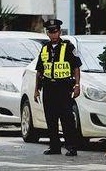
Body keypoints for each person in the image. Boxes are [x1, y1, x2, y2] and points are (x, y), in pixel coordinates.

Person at [34, 18, 82, 156]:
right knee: (51, 118)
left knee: (67, 118)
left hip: (64, 87)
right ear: (47, 34)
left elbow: (76, 67)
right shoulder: (44, 48)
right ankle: (54, 146)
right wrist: (36, 89)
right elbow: (40, 70)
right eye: (50, 32)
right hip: (48, 87)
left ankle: (71, 147)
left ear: (59, 32)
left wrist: (77, 85)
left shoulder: (68, 47)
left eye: (55, 32)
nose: (53, 34)